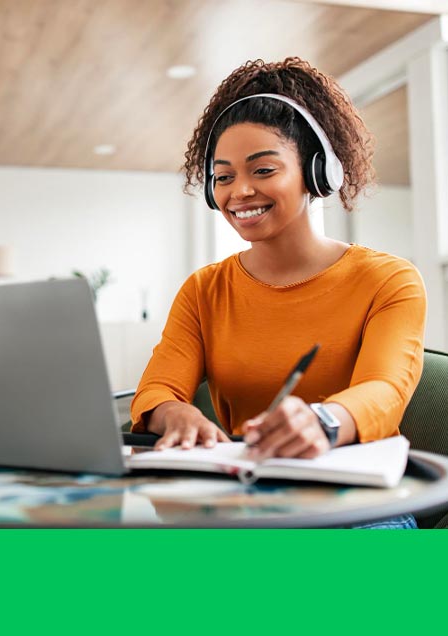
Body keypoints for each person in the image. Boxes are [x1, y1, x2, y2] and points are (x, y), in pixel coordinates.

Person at [130, 58, 425, 527]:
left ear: (318, 172)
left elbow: (386, 389)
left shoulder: (389, 280)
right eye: (223, 177)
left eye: (263, 170)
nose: (239, 191)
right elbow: (159, 388)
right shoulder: (204, 290)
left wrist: (324, 422)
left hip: (358, 507)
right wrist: (174, 414)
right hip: (247, 500)